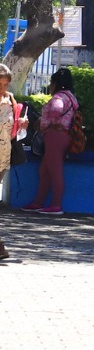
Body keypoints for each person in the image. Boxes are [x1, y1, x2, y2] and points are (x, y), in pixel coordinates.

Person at [24, 68, 78, 214]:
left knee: (55, 171)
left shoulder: (59, 97)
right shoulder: (71, 97)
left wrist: (50, 122)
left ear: (55, 83)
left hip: (55, 136)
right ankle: (38, 202)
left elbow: (56, 110)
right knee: (45, 170)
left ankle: (56, 205)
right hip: (63, 136)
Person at [0, 63, 25, 251]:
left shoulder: (11, 101)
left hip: (2, 157)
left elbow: (12, 131)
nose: (3, 88)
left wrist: (22, 124)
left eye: (6, 84)